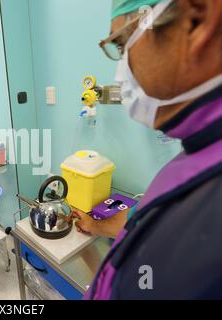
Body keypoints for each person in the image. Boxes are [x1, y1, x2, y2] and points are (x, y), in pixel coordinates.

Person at [82, 0, 222, 299]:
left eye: (123, 44)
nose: (122, 74)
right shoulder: (199, 147)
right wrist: (103, 225)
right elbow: (153, 224)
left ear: (198, 19)